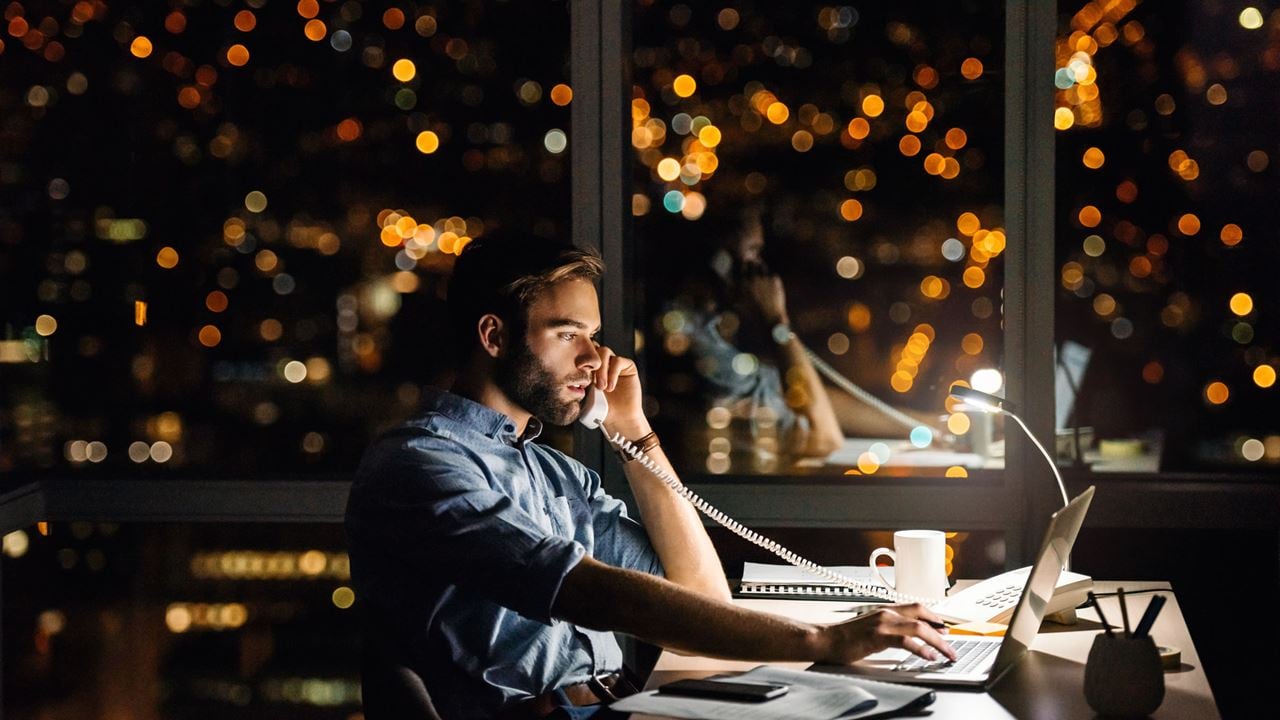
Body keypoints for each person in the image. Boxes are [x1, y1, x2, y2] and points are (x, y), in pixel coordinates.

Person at [345, 234, 954, 720]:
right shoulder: (421, 466)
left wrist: (636, 436)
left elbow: (700, 598)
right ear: (494, 336)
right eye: (567, 335)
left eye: (593, 336)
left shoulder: (556, 472)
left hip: (625, 703)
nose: (594, 359)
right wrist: (820, 642)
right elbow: (592, 590)